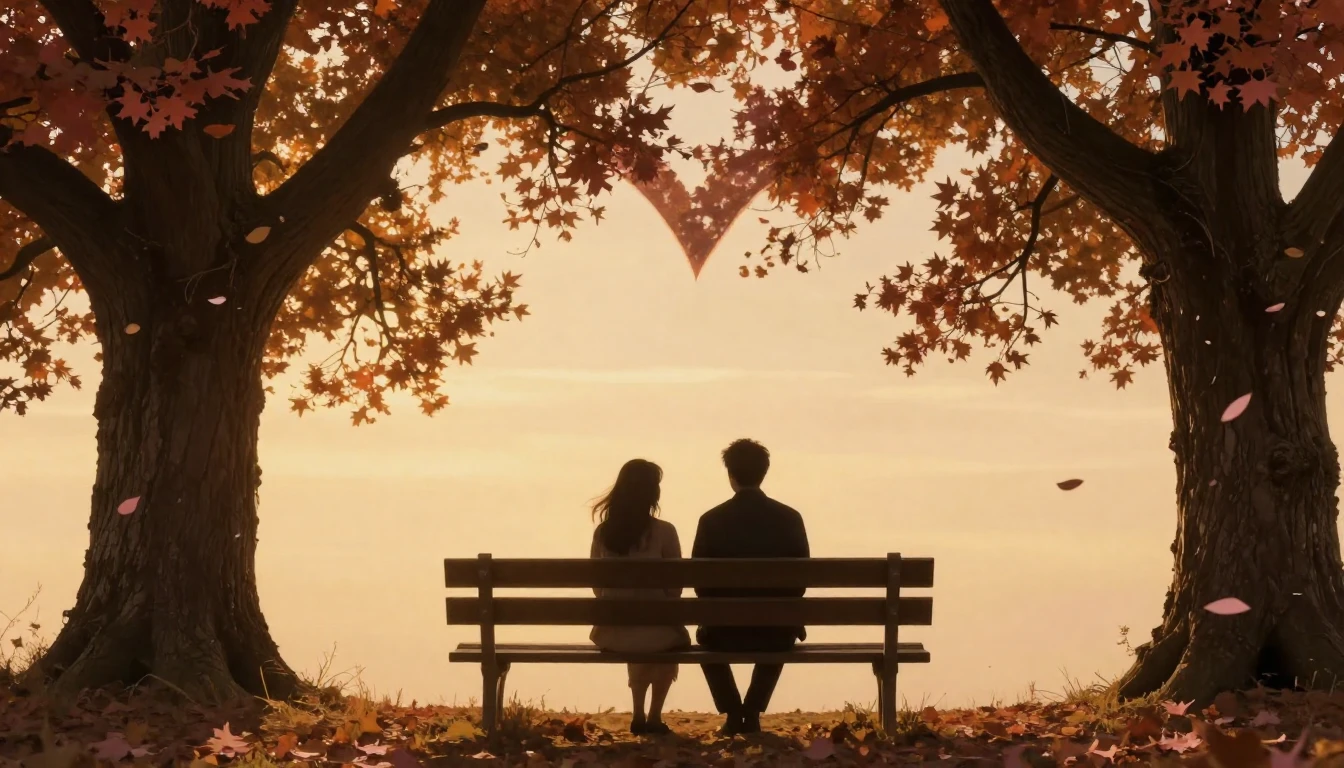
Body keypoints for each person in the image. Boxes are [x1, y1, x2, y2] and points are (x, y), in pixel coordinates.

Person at [691, 439, 810, 736]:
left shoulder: (711, 520)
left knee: (703, 641)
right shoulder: (790, 518)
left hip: (723, 631)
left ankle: (733, 712)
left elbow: (699, 583)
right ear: (764, 473)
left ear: (730, 475)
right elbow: (800, 582)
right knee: (783, 629)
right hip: (775, 631)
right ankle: (752, 710)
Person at [588, 459, 691, 735]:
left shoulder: (603, 533)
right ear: (653, 494)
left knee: (638, 630)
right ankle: (654, 717)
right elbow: (675, 587)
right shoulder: (664, 531)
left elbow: (597, 587)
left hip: (612, 634)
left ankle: (637, 714)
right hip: (658, 632)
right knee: (664, 635)